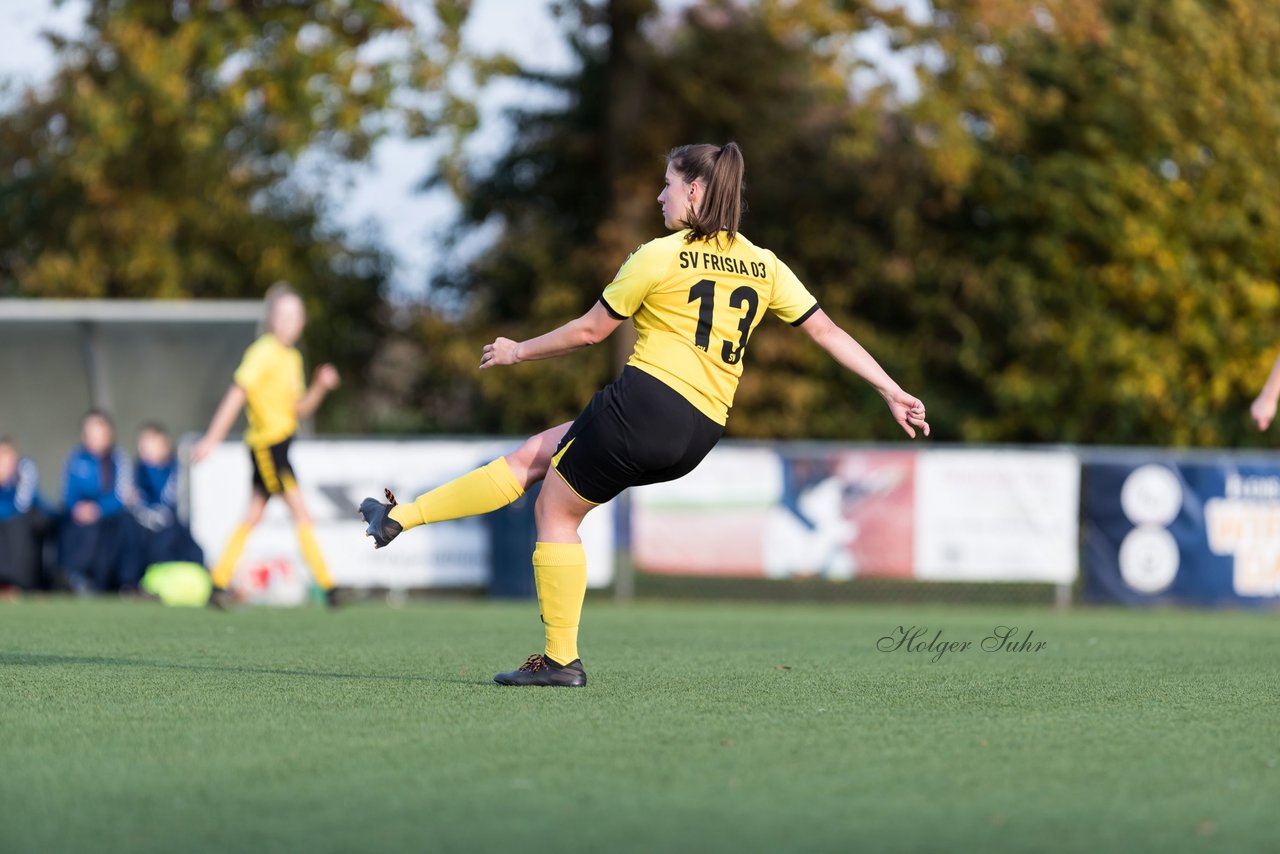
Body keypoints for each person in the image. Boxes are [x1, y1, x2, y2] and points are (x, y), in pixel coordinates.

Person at [360, 142, 930, 687]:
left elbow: (589, 331)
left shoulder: (658, 256)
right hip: (698, 433)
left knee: (555, 516)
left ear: (697, 191)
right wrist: (891, 389)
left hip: (645, 404)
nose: (660, 197)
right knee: (533, 456)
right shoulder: (765, 265)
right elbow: (826, 331)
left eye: (668, 185)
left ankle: (561, 660)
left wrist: (516, 350)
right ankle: (398, 520)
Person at [191, 283, 343, 607]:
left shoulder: (292, 358)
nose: (290, 321)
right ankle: (328, 587)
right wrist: (212, 438)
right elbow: (237, 393)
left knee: (253, 516)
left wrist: (320, 386)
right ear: (271, 318)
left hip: (281, 445)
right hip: (268, 447)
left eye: (296, 315)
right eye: (283, 314)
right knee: (301, 512)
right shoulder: (262, 352)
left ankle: (218, 582)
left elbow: (299, 408)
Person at [61, 411, 141, 593]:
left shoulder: (120, 459)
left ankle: (126, 582)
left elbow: (122, 495)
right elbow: (68, 493)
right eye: (91, 434)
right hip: (81, 517)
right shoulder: (75, 459)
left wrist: (98, 509)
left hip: (110, 516)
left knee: (127, 524)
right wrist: (77, 508)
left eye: (100, 433)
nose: (95, 439)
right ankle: (77, 577)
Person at [133, 422, 205, 570]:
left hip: (173, 526)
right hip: (147, 527)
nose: (145, 449)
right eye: (143, 445)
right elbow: (138, 502)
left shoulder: (177, 467)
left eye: (151, 444)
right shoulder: (139, 469)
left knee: (189, 549)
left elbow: (170, 500)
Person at [0, 436, 51, 591]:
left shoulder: (26, 468)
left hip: (36, 518)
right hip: (8, 520)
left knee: (18, 526)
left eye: (7, 455)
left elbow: (21, 505)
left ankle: (18, 581)